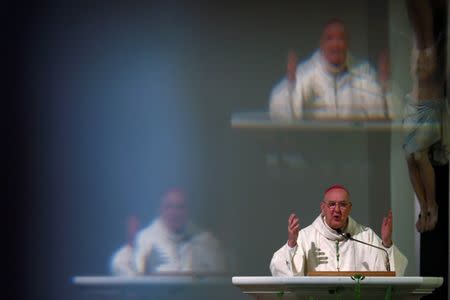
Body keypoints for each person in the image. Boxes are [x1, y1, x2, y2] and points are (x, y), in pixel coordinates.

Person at [270, 185, 408, 276]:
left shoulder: (366, 236)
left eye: (342, 205)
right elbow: (278, 269)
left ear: (350, 208)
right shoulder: (306, 237)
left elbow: (394, 274)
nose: (336, 210)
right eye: (331, 205)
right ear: (322, 208)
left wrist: (387, 243)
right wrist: (291, 244)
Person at [269, 19, 389, 121]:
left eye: (341, 38)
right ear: (321, 44)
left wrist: (384, 86)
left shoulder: (364, 71)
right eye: (329, 39)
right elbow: (279, 113)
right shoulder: (306, 72)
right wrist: (290, 85)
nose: (335, 45)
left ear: (348, 43)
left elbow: (381, 115)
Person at [404, 0, 449, 233]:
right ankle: (423, 205)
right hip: (414, 103)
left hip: (431, 105)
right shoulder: (421, 45)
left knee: (419, 155)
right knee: (410, 157)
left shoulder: (439, 47)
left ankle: (432, 204)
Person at [110, 188, 226, 275]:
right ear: (160, 210)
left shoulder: (205, 239)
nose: (175, 213)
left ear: (188, 210)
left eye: (180, 207)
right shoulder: (146, 238)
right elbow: (136, 276)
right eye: (169, 207)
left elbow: (221, 276)